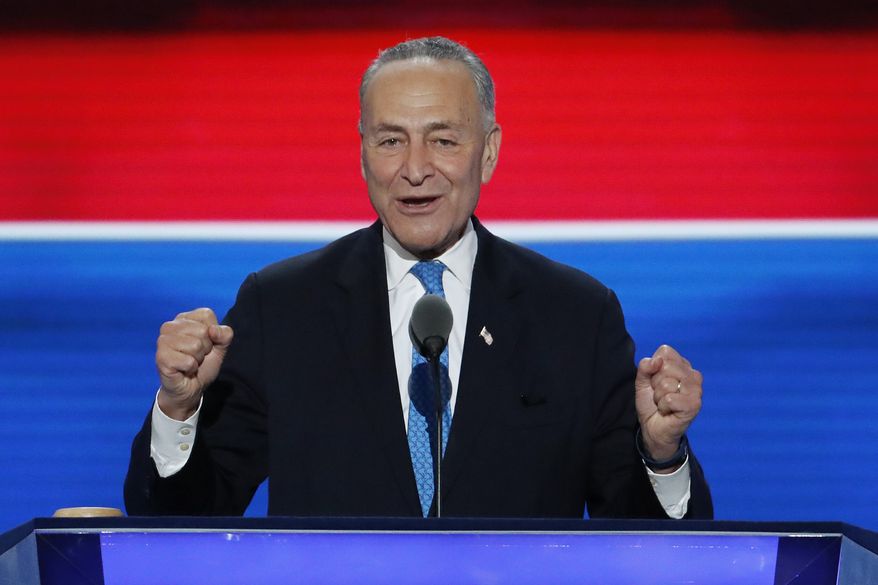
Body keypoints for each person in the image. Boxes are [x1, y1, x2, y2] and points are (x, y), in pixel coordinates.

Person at [125, 36, 712, 519]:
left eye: (443, 140)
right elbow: (181, 521)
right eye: (390, 141)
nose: (414, 170)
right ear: (362, 154)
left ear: (488, 152)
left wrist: (660, 454)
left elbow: (644, 545)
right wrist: (179, 410)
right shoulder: (280, 307)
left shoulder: (576, 316)